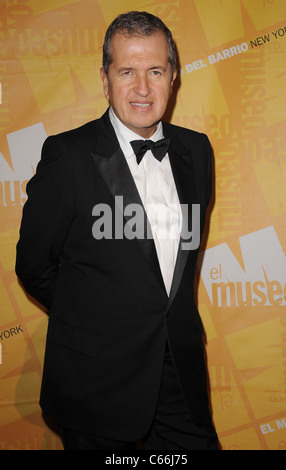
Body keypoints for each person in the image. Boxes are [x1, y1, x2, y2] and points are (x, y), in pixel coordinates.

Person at [15, 11, 218, 450]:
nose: (142, 88)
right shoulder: (67, 156)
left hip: (180, 383)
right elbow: (33, 266)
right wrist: (95, 317)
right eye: (127, 71)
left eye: (155, 71)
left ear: (174, 77)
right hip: (98, 388)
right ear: (105, 79)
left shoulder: (196, 151)